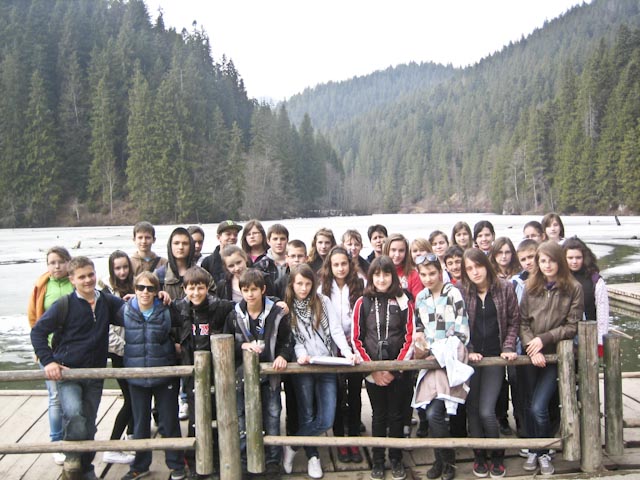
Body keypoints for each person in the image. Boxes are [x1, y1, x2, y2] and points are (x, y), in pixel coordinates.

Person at [30, 256, 125, 479]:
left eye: (91, 275)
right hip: (68, 371)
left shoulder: (106, 301)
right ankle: (73, 460)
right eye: (82, 277)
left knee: (89, 423)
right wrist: (49, 361)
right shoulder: (64, 305)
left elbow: (132, 312)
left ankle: (84, 468)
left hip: (95, 373)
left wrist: (148, 298)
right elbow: (38, 332)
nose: (88, 280)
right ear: (72, 279)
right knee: (74, 414)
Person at [282, 264, 357, 479]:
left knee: (326, 418)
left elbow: (335, 330)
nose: (303, 288)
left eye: (307, 284)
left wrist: (347, 352)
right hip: (304, 366)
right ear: (292, 284)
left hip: (327, 362)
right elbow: (294, 338)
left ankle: (292, 446)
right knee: (306, 414)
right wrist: (301, 355)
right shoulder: (287, 307)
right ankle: (312, 457)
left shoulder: (323, 301)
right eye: (299, 284)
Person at [520, 241, 583, 476]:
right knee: (529, 404)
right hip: (530, 354)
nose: (547, 265)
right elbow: (523, 322)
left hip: (555, 355)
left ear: (559, 261)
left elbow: (572, 326)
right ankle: (535, 450)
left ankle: (544, 451)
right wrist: (532, 347)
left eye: (551, 260)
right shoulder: (530, 286)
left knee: (540, 406)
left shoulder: (573, 288)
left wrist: (544, 339)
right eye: (543, 261)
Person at [352, 256, 415, 480]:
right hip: (373, 371)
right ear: (371, 277)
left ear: (393, 276)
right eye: (377, 275)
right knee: (378, 415)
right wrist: (373, 370)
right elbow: (357, 338)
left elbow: (409, 336)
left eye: (386, 274)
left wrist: (395, 369)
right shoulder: (363, 302)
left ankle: (396, 458)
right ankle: (378, 459)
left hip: (398, 371)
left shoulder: (403, 300)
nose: (381, 279)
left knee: (397, 415)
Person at [225, 269, 292, 479]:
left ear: (263, 289)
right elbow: (226, 342)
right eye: (245, 290)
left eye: (254, 289)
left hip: (270, 375)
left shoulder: (277, 313)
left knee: (272, 415)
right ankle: (245, 460)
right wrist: (242, 346)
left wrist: (282, 355)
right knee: (242, 418)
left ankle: (272, 461)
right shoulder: (234, 314)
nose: (250, 294)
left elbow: (287, 340)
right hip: (242, 376)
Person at [119, 271, 185, 480]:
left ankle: (176, 464)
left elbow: (184, 324)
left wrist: (179, 346)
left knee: (169, 421)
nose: (145, 292)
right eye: (141, 288)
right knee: (140, 423)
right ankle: (140, 465)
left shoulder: (166, 309)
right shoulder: (125, 310)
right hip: (137, 375)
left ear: (157, 290)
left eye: (150, 288)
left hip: (164, 373)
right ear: (134, 289)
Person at [461, 249, 520, 478]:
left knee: (487, 410)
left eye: (478, 266)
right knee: (473, 410)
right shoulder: (462, 291)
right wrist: (469, 349)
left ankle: (496, 453)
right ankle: (479, 454)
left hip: (495, 357)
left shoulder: (504, 288)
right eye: (469, 268)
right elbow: (459, 325)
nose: (475, 272)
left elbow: (514, 321)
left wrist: (508, 346)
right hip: (471, 359)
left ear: (486, 265)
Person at [412, 254, 469, 480]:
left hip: (450, 359)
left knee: (437, 412)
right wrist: (420, 342)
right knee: (430, 410)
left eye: (432, 273)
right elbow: (419, 327)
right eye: (423, 274)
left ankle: (447, 460)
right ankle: (442, 459)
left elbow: (462, 330)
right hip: (429, 361)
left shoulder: (452, 293)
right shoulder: (420, 297)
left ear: (440, 272)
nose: (428, 278)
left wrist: (438, 350)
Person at [174, 266, 234, 476]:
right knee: (195, 417)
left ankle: (217, 459)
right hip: (192, 372)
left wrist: (275, 301)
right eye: (191, 288)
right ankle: (196, 462)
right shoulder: (179, 308)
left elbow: (246, 302)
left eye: (200, 288)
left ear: (207, 288)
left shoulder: (220, 307)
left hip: (217, 370)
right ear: (184, 289)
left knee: (218, 414)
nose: (196, 293)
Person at [27, 246, 74, 466]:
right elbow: (33, 318)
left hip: (73, 350)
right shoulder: (42, 286)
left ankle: (73, 440)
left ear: (69, 262)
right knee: (55, 397)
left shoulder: (75, 283)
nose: (57, 266)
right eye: (52, 262)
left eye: (61, 262)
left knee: (73, 398)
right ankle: (56, 442)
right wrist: (41, 352)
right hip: (49, 350)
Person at [319, 246, 365, 463]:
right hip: (332, 346)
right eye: (335, 264)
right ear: (329, 266)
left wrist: (355, 341)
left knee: (355, 393)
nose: (340, 268)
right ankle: (339, 440)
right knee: (336, 393)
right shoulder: (323, 288)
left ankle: (354, 438)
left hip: (354, 343)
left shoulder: (359, 284)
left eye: (344, 264)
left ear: (350, 264)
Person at [99, 251, 135, 465]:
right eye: (117, 268)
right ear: (112, 270)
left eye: (125, 267)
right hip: (120, 352)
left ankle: (131, 434)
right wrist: (126, 348)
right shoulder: (105, 292)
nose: (122, 272)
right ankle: (112, 446)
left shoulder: (136, 286)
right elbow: (107, 330)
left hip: (135, 349)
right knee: (130, 399)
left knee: (137, 396)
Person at [563, 237, 610, 355]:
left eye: (578, 257)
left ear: (584, 257)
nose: (574, 262)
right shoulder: (559, 279)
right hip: (564, 339)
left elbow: (602, 314)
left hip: (589, 337)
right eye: (570, 258)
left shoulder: (595, 280)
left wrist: (600, 342)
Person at [156, 227, 196, 300]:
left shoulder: (203, 275)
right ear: (170, 246)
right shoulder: (159, 275)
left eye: (185, 243)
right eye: (176, 243)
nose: (180, 247)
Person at [382, 233, 423, 300]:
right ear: (387, 250)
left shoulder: (413, 274)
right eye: (393, 250)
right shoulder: (378, 272)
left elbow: (418, 301)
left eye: (401, 250)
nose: (397, 254)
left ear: (406, 252)